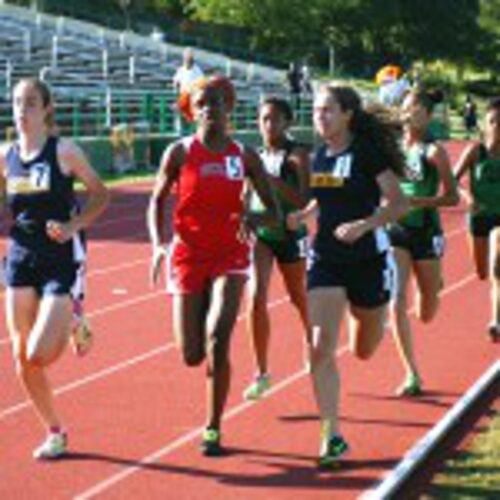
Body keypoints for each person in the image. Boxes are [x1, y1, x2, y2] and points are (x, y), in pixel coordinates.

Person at [148, 75, 280, 456]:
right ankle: (207, 350)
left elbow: (272, 211)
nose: (210, 109)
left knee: (218, 339)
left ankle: (212, 428)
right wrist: (158, 245)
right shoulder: (179, 153)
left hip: (231, 255)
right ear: (192, 110)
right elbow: (156, 200)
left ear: (229, 108)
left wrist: (252, 221)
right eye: (202, 103)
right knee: (192, 354)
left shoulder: (245, 156)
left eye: (217, 102)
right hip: (188, 256)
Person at [287, 84, 408, 468]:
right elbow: (323, 198)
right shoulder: (320, 154)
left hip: (367, 261)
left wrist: (366, 223)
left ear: (347, 115)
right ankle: (331, 435)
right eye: (316, 111)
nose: (319, 117)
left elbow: (398, 203)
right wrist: (304, 216)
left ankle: (378, 317)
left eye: (327, 111)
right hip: (326, 258)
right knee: (320, 347)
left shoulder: (366, 154)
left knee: (364, 349)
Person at [0, 78, 109, 459]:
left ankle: (74, 319)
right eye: (16, 103)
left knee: (40, 352)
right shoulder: (5, 155)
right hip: (20, 258)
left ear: (46, 109)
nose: (22, 110)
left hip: (60, 257)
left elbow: (100, 193)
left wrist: (74, 226)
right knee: (21, 358)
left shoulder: (63, 151)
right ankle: (55, 431)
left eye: (30, 103)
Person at [388, 89, 459, 397]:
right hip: (397, 231)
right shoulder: (392, 148)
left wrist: (418, 200)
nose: (410, 113)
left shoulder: (434, 152)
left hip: (426, 233)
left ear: (428, 116)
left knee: (427, 310)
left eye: (418, 109)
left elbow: (453, 196)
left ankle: (433, 285)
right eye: (407, 107)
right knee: (396, 300)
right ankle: (411, 374)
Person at [243, 97, 310, 401]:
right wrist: (244, 215)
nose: (268, 125)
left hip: (291, 235)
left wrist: (268, 179)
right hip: (263, 235)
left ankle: (314, 345)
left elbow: (304, 200)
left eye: (275, 119)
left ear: (287, 123)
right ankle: (261, 372)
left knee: (300, 299)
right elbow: (245, 191)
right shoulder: (253, 155)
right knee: (256, 297)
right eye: (264, 119)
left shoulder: (297, 156)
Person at [454, 97, 500, 342]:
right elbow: (452, 180)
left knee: (497, 269)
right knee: (482, 272)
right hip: (478, 218)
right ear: (485, 123)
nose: (497, 127)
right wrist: (467, 195)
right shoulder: (475, 151)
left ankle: (496, 320)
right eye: (493, 121)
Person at [173, 48, 205, 135]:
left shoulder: (197, 71)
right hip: (183, 98)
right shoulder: (180, 70)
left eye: (190, 57)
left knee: (194, 120)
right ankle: (179, 135)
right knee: (180, 119)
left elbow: (201, 85)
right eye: (186, 57)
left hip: (193, 99)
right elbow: (176, 83)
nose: (187, 59)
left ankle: (195, 137)